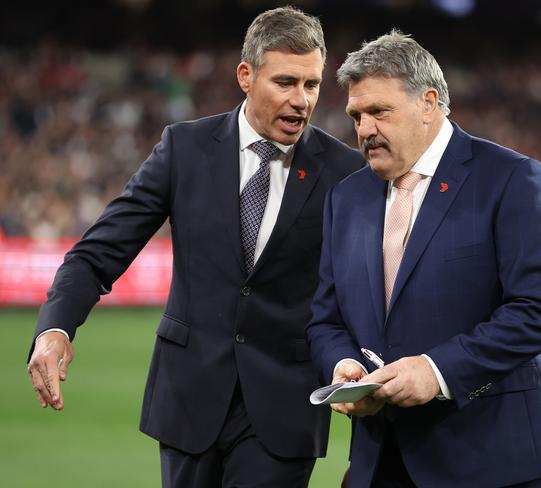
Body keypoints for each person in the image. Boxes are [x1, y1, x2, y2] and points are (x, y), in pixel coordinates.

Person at [27, 7, 365, 487]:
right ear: (245, 76)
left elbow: (366, 290)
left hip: (283, 408)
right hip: (189, 400)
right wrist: (55, 327)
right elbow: (97, 253)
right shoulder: (183, 148)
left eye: (311, 85)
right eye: (285, 82)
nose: (301, 100)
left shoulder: (344, 171)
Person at [307, 30, 541, 488]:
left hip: (493, 458)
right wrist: (342, 366)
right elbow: (325, 318)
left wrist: (438, 372)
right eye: (357, 115)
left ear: (428, 103)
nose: (363, 129)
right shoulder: (347, 198)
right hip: (383, 459)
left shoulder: (511, 178)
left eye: (379, 112)